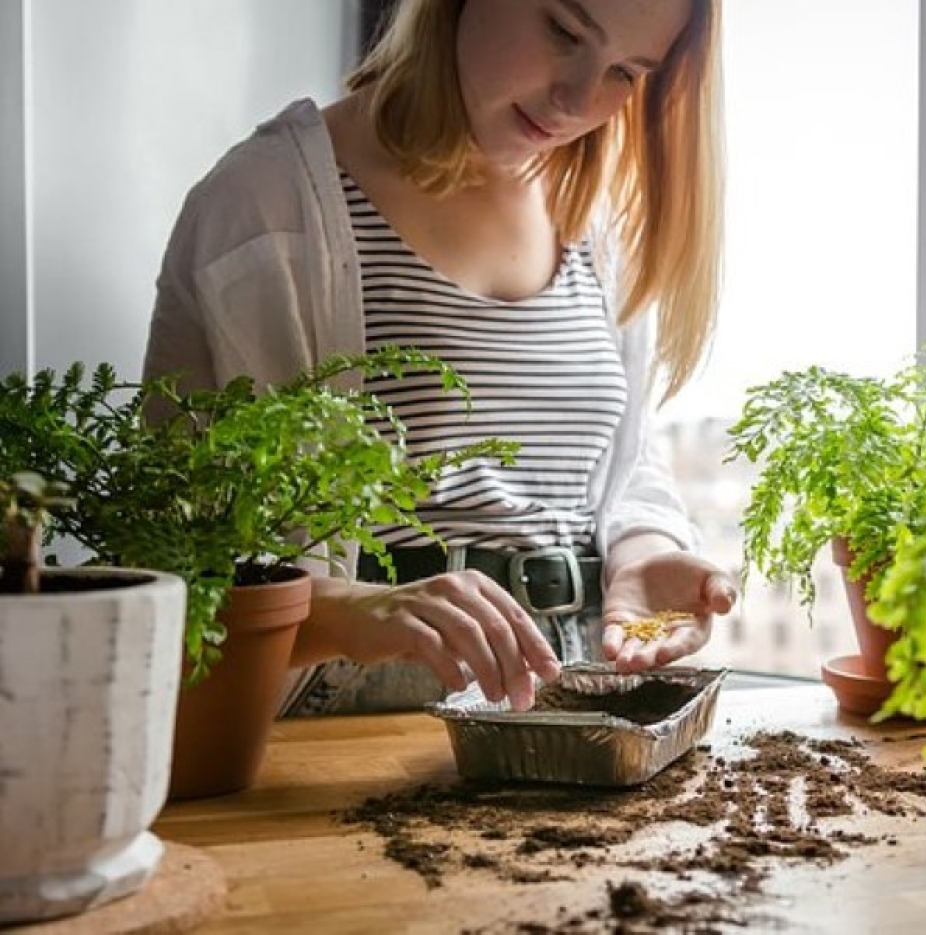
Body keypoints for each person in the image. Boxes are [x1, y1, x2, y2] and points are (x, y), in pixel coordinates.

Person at [142, 0, 735, 716]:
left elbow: (618, 462)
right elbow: (175, 563)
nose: (578, 98)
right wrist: (350, 614)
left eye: (625, 73)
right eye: (564, 32)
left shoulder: (598, 224)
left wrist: (641, 551)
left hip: (566, 703)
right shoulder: (265, 207)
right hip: (350, 711)